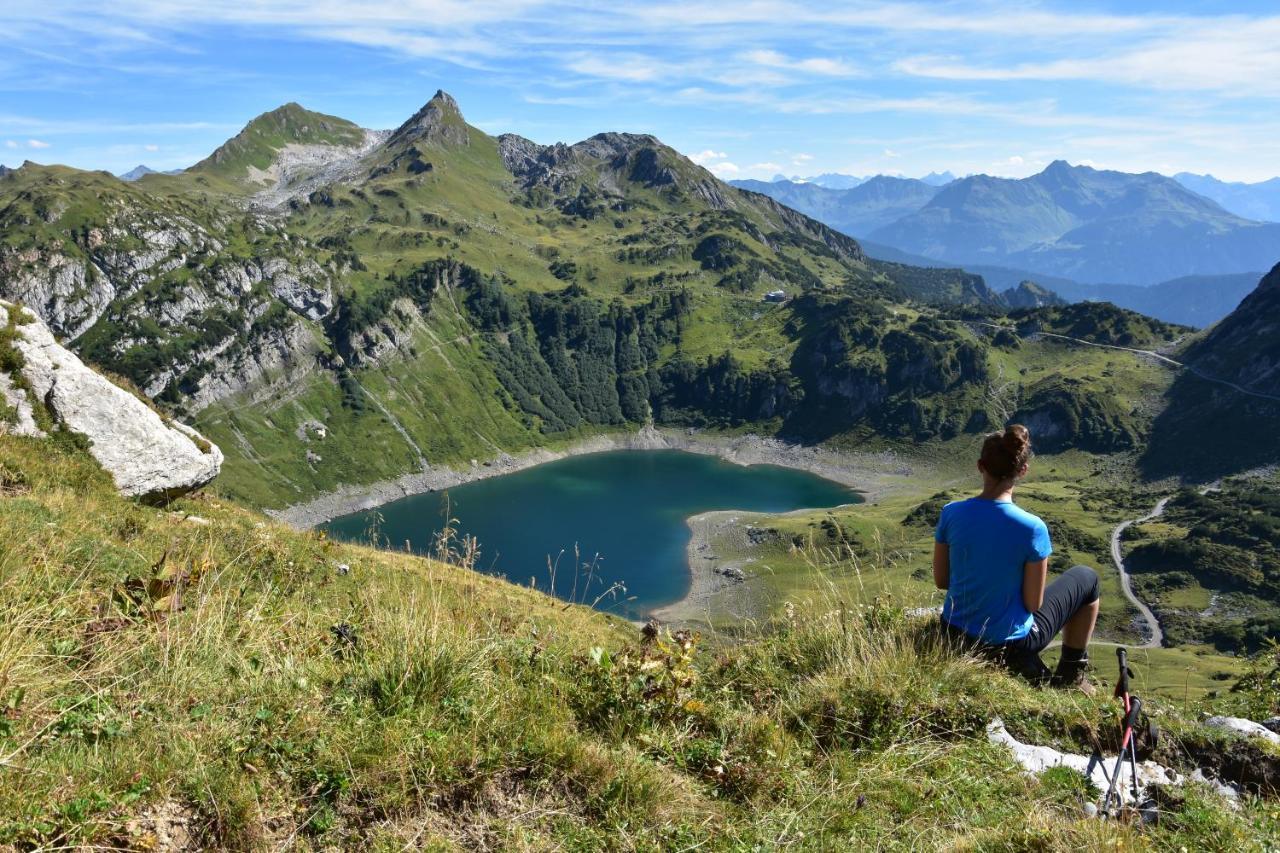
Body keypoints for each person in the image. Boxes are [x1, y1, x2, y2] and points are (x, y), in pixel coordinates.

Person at [932, 424, 1100, 693]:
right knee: (1087, 578)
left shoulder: (951, 513)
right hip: (1011, 644)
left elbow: (942, 581)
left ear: (980, 466)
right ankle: (1072, 673)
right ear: (1022, 470)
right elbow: (1033, 604)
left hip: (954, 633)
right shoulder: (1032, 527)